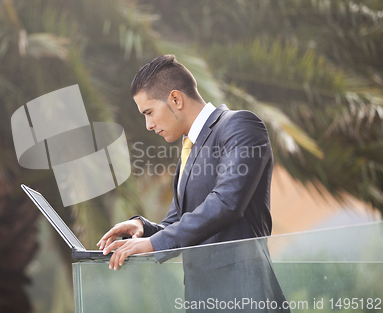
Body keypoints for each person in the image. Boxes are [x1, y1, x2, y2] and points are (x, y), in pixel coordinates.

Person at [97, 54, 289, 312]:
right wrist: (142, 227)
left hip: (246, 298)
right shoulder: (189, 149)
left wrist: (155, 244)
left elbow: (227, 203)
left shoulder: (239, 125)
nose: (148, 125)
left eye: (149, 112)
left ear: (175, 99)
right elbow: (178, 222)